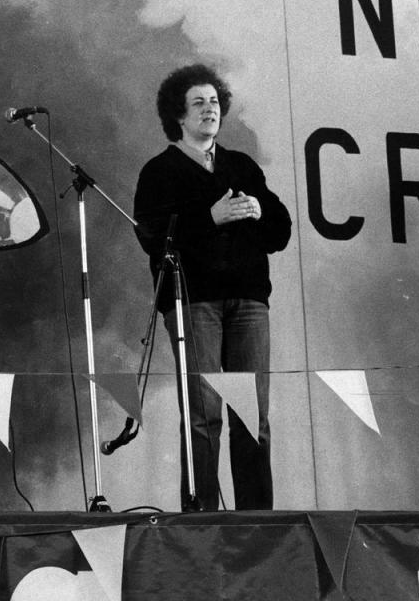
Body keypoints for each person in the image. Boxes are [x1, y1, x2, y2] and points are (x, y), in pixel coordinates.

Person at [133, 64, 292, 510]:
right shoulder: (159, 171)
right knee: (204, 416)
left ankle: (258, 518)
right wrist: (211, 218)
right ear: (178, 116)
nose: (210, 110)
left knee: (252, 418)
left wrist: (260, 210)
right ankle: (200, 516)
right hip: (193, 303)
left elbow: (280, 233)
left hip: (248, 303)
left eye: (215, 102)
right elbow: (150, 236)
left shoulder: (241, 166)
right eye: (198, 103)